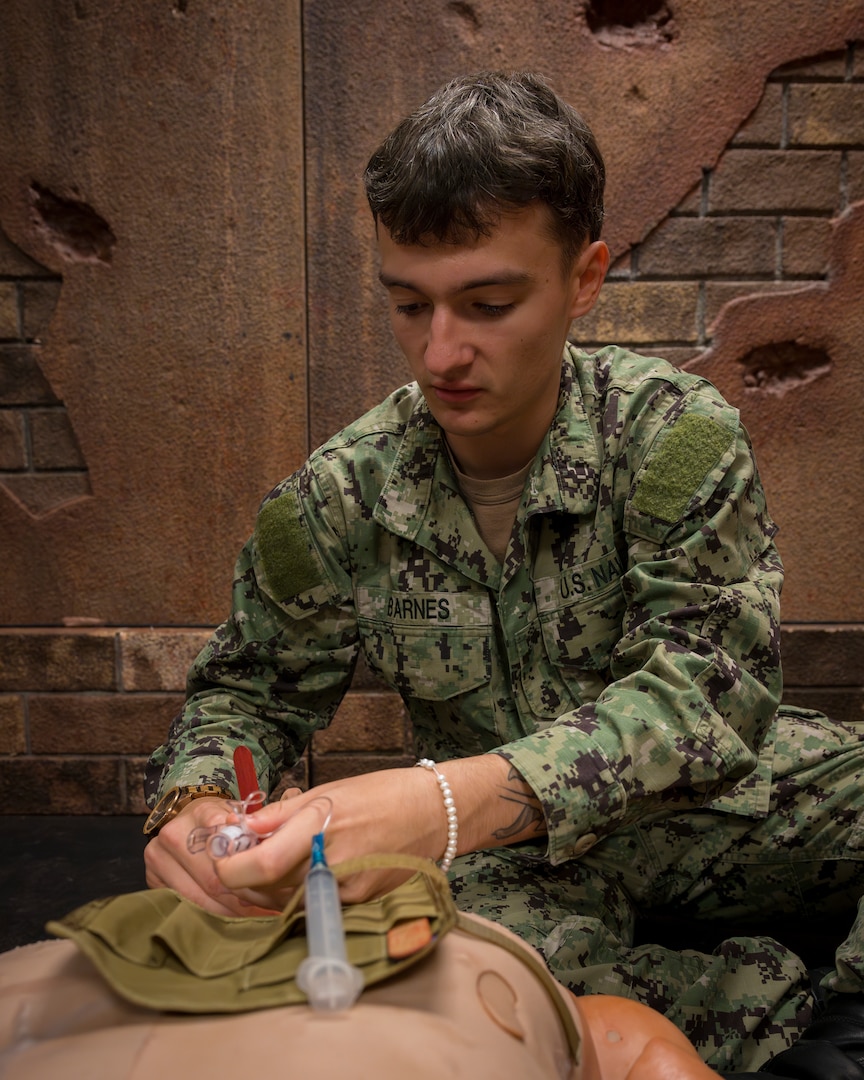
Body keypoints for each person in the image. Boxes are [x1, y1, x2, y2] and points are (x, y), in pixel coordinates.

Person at [143, 71, 864, 1078]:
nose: (442, 352)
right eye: (408, 304)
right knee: (464, 984)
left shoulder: (671, 439)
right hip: (507, 875)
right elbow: (244, 692)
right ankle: (755, 1010)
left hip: (712, 810)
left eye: (487, 303)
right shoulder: (337, 500)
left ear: (585, 277)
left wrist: (443, 800)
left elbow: (709, 697)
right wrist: (197, 802)